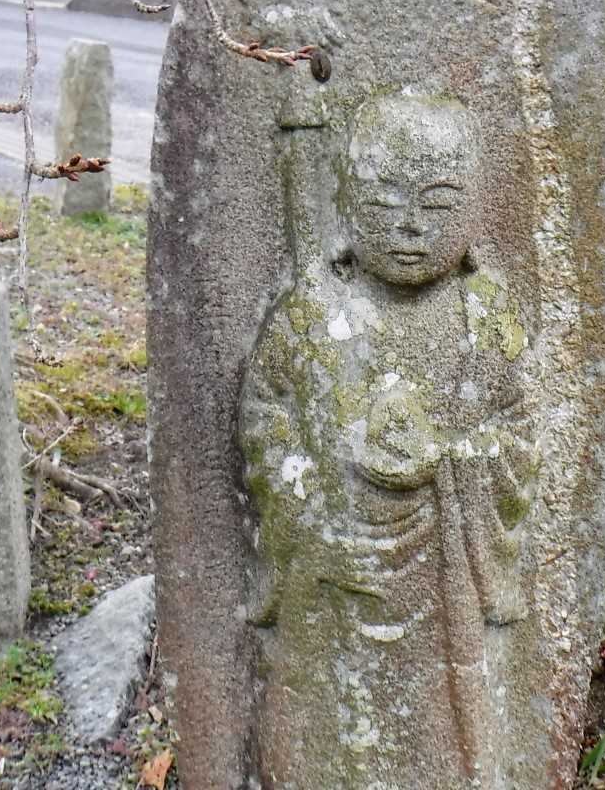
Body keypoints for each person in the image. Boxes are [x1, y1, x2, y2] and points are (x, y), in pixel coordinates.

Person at [239, 90, 537, 788]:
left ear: (474, 210)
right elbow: (265, 420)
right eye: (384, 202)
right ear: (346, 203)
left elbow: (519, 433)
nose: (410, 227)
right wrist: (314, 511)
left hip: (443, 573)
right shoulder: (312, 311)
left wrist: (449, 459)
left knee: (441, 733)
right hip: (332, 571)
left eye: (437, 205)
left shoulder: (484, 315)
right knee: (321, 732)